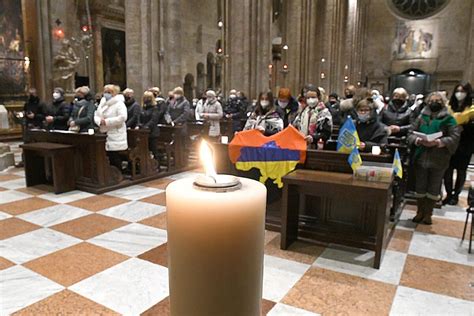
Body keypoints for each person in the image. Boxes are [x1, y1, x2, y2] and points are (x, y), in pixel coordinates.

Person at [408, 91, 460, 225]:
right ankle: (419, 212)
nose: (434, 103)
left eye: (437, 101)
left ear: (442, 103)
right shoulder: (421, 117)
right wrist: (419, 140)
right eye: (431, 101)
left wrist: (438, 142)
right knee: (420, 186)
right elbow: (410, 133)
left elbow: (454, 136)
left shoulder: (448, 118)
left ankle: (428, 214)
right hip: (421, 155)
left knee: (433, 186)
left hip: (438, 158)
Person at [443, 82, 474, 205]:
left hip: (465, 143)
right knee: (448, 169)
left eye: (463, 91)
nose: (459, 94)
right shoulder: (450, 106)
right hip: (451, 142)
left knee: (461, 170)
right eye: (457, 91)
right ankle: (449, 193)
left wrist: (465, 126)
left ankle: (456, 195)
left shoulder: (471, 108)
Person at [94, 84, 128, 171]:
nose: (106, 94)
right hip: (104, 132)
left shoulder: (119, 103)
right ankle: (110, 173)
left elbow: (123, 117)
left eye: (109, 92)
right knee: (107, 155)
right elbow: (96, 115)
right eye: (105, 92)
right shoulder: (103, 102)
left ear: (114, 93)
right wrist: (99, 121)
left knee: (114, 155)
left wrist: (107, 121)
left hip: (115, 132)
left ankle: (118, 173)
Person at [138, 91, 165, 162]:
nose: (147, 99)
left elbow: (154, 120)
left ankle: (156, 165)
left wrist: (146, 127)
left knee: (153, 149)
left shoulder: (155, 108)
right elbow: (139, 118)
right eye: (145, 98)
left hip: (152, 133)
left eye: (148, 98)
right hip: (143, 133)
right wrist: (140, 125)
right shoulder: (143, 108)